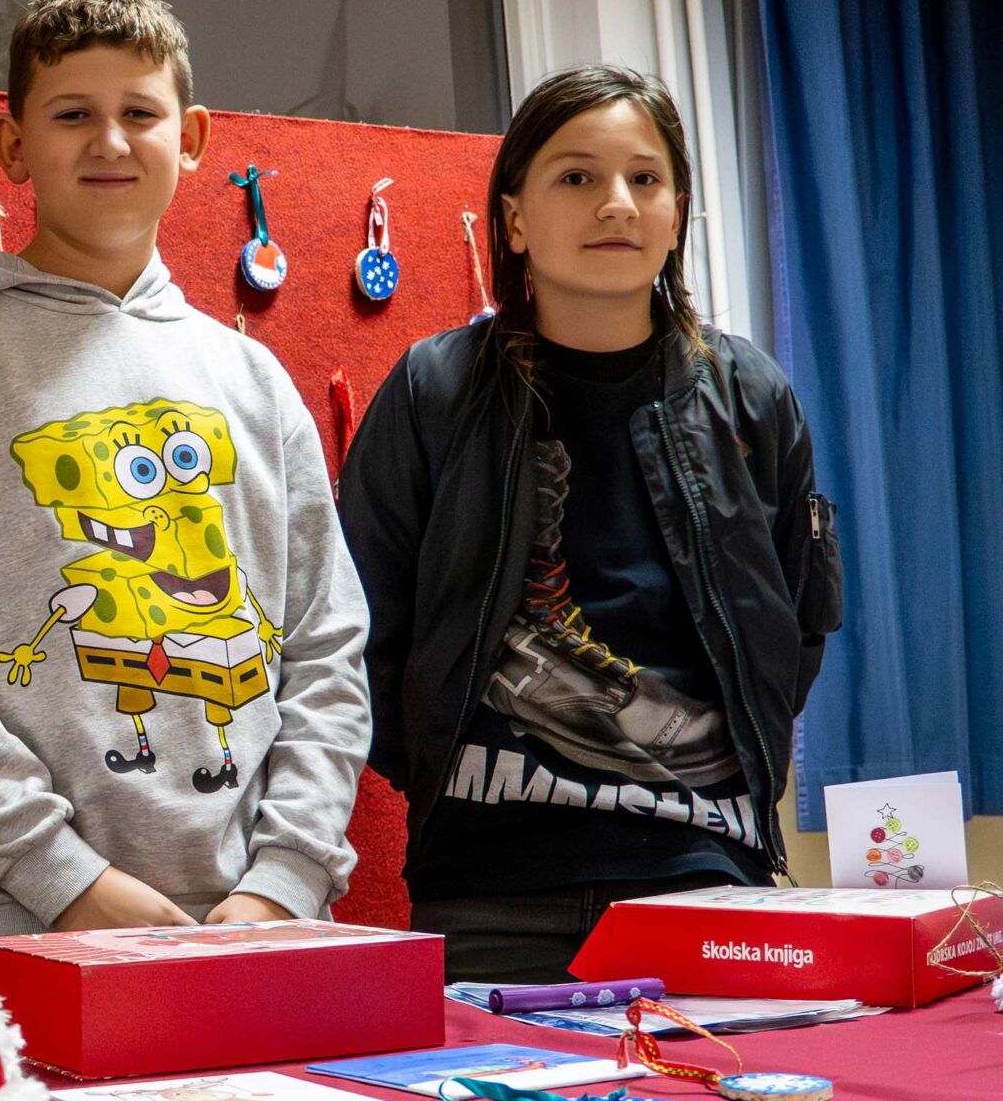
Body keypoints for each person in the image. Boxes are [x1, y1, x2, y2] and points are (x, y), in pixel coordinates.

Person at [0, 0, 372, 973]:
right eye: (72, 114)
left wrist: (285, 878)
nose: (109, 141)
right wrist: (62, 875)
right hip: (15, 927)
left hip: (253, 926)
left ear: (190, 138)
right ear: (14, 146)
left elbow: (325, 648)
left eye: (138, 112)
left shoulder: (251, 378)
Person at [337, 65, 844, 981]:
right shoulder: (431, 389)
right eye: (576, 176)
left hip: (705, 880)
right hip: (487, 888)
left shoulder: (752, 394)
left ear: (677, 213)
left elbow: (796, 625)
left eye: (644, 179)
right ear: (514, 219)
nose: (616, 203)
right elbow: (360, 628)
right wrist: (456, 772)